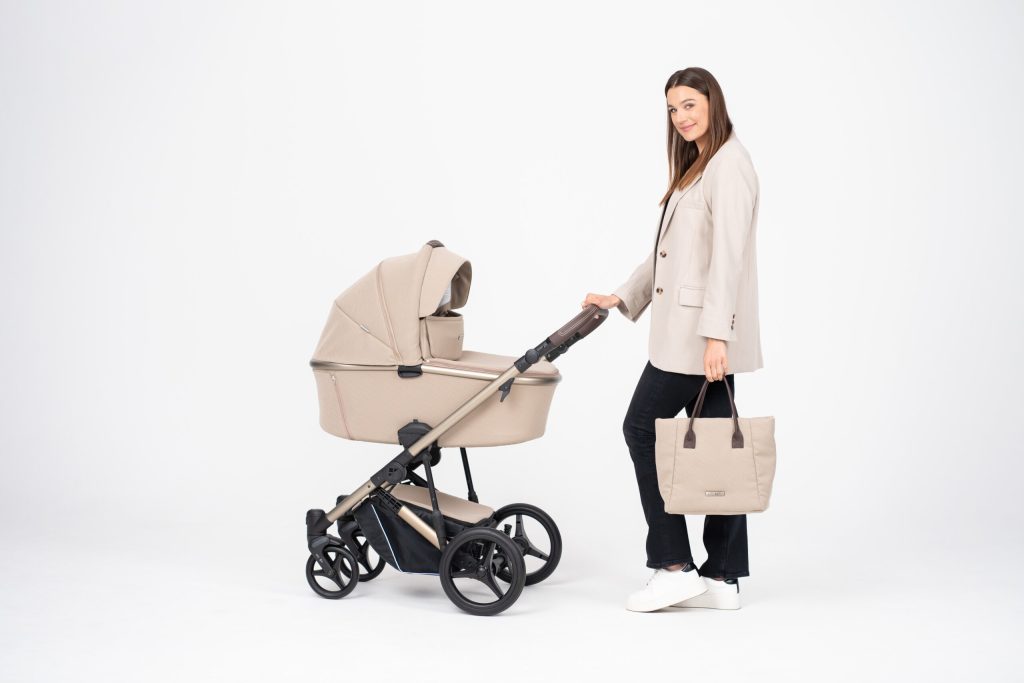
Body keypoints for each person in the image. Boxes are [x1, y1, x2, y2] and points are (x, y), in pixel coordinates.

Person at [582, 67, 763, 612]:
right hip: (695, 334)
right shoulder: (698, 165)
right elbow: (668, 254)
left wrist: (717, 337)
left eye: (689, 104)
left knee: (641, 427)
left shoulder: (729, 164)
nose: (681, 117)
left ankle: (674, 567)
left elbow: (728, 259)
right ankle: (723, 578)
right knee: (718, 450)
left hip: (697, 337)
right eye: (672, 109)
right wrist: (622, 296)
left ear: (713, 102)